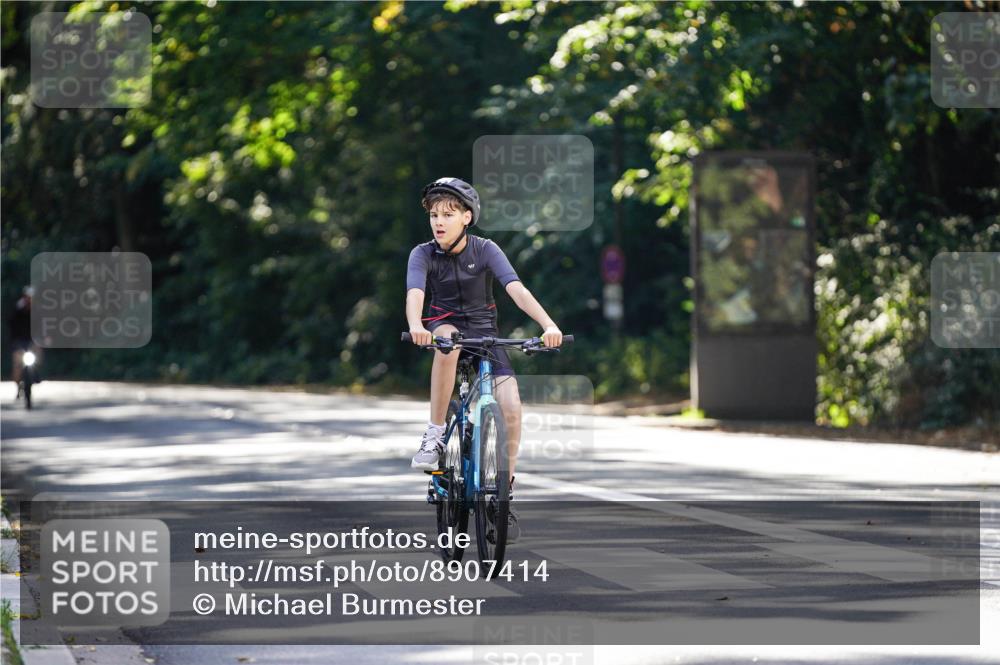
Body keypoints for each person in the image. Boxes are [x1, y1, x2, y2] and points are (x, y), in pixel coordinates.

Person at [405, 177, 563, 541]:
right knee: (448, 340)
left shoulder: (486, 249)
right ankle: (435, 434)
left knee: (510, 407)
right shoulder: (422, 254)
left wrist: (548, 324)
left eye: (448, 214)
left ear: (467, 217)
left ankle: (502, 492)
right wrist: (416, 325)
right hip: (443, 329)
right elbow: (415, 292)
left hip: (486, 335)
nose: (438, 222)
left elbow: (516, 289)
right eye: (433, 215)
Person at [9, 286, 38, 397]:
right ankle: (18, 385)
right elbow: (12, 325)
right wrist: (13, 341)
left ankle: (36, 375)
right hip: (19, 342)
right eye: (28, 297)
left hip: (31, 342)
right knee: (17, 364)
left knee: (37, 356)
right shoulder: (18, 310)